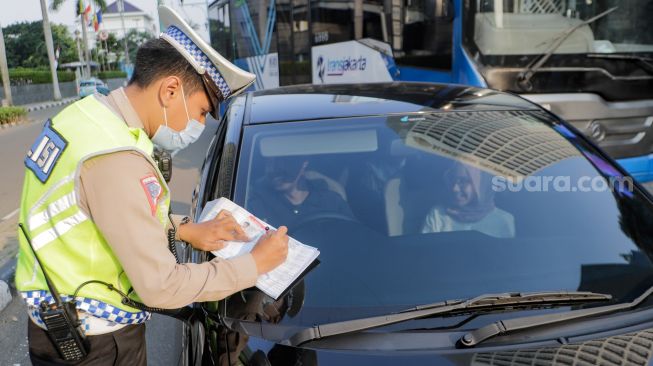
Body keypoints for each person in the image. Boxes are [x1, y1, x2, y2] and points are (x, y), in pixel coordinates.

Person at [15, 6, 288, 365]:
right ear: (170, 90)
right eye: (203, 111)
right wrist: (254, 263)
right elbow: (163, 286)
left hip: (61, 328)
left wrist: (186, 231)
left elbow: (99, 216)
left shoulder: (84, 118)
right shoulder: (116, 159)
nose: (200, 125)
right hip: (99, 347)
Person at [248, 157, 353, 228]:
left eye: (284, 162)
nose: (275, 170)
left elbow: (354, 235)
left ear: (303, 163)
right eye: (269, 163)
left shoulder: (331, 201)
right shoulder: (257, 206)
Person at [422, 162, 515, 238]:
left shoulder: (503, 220)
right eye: (453, 180)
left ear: (482, 185)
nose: (455, 189)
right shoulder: (438, 215)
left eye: (463, 181)